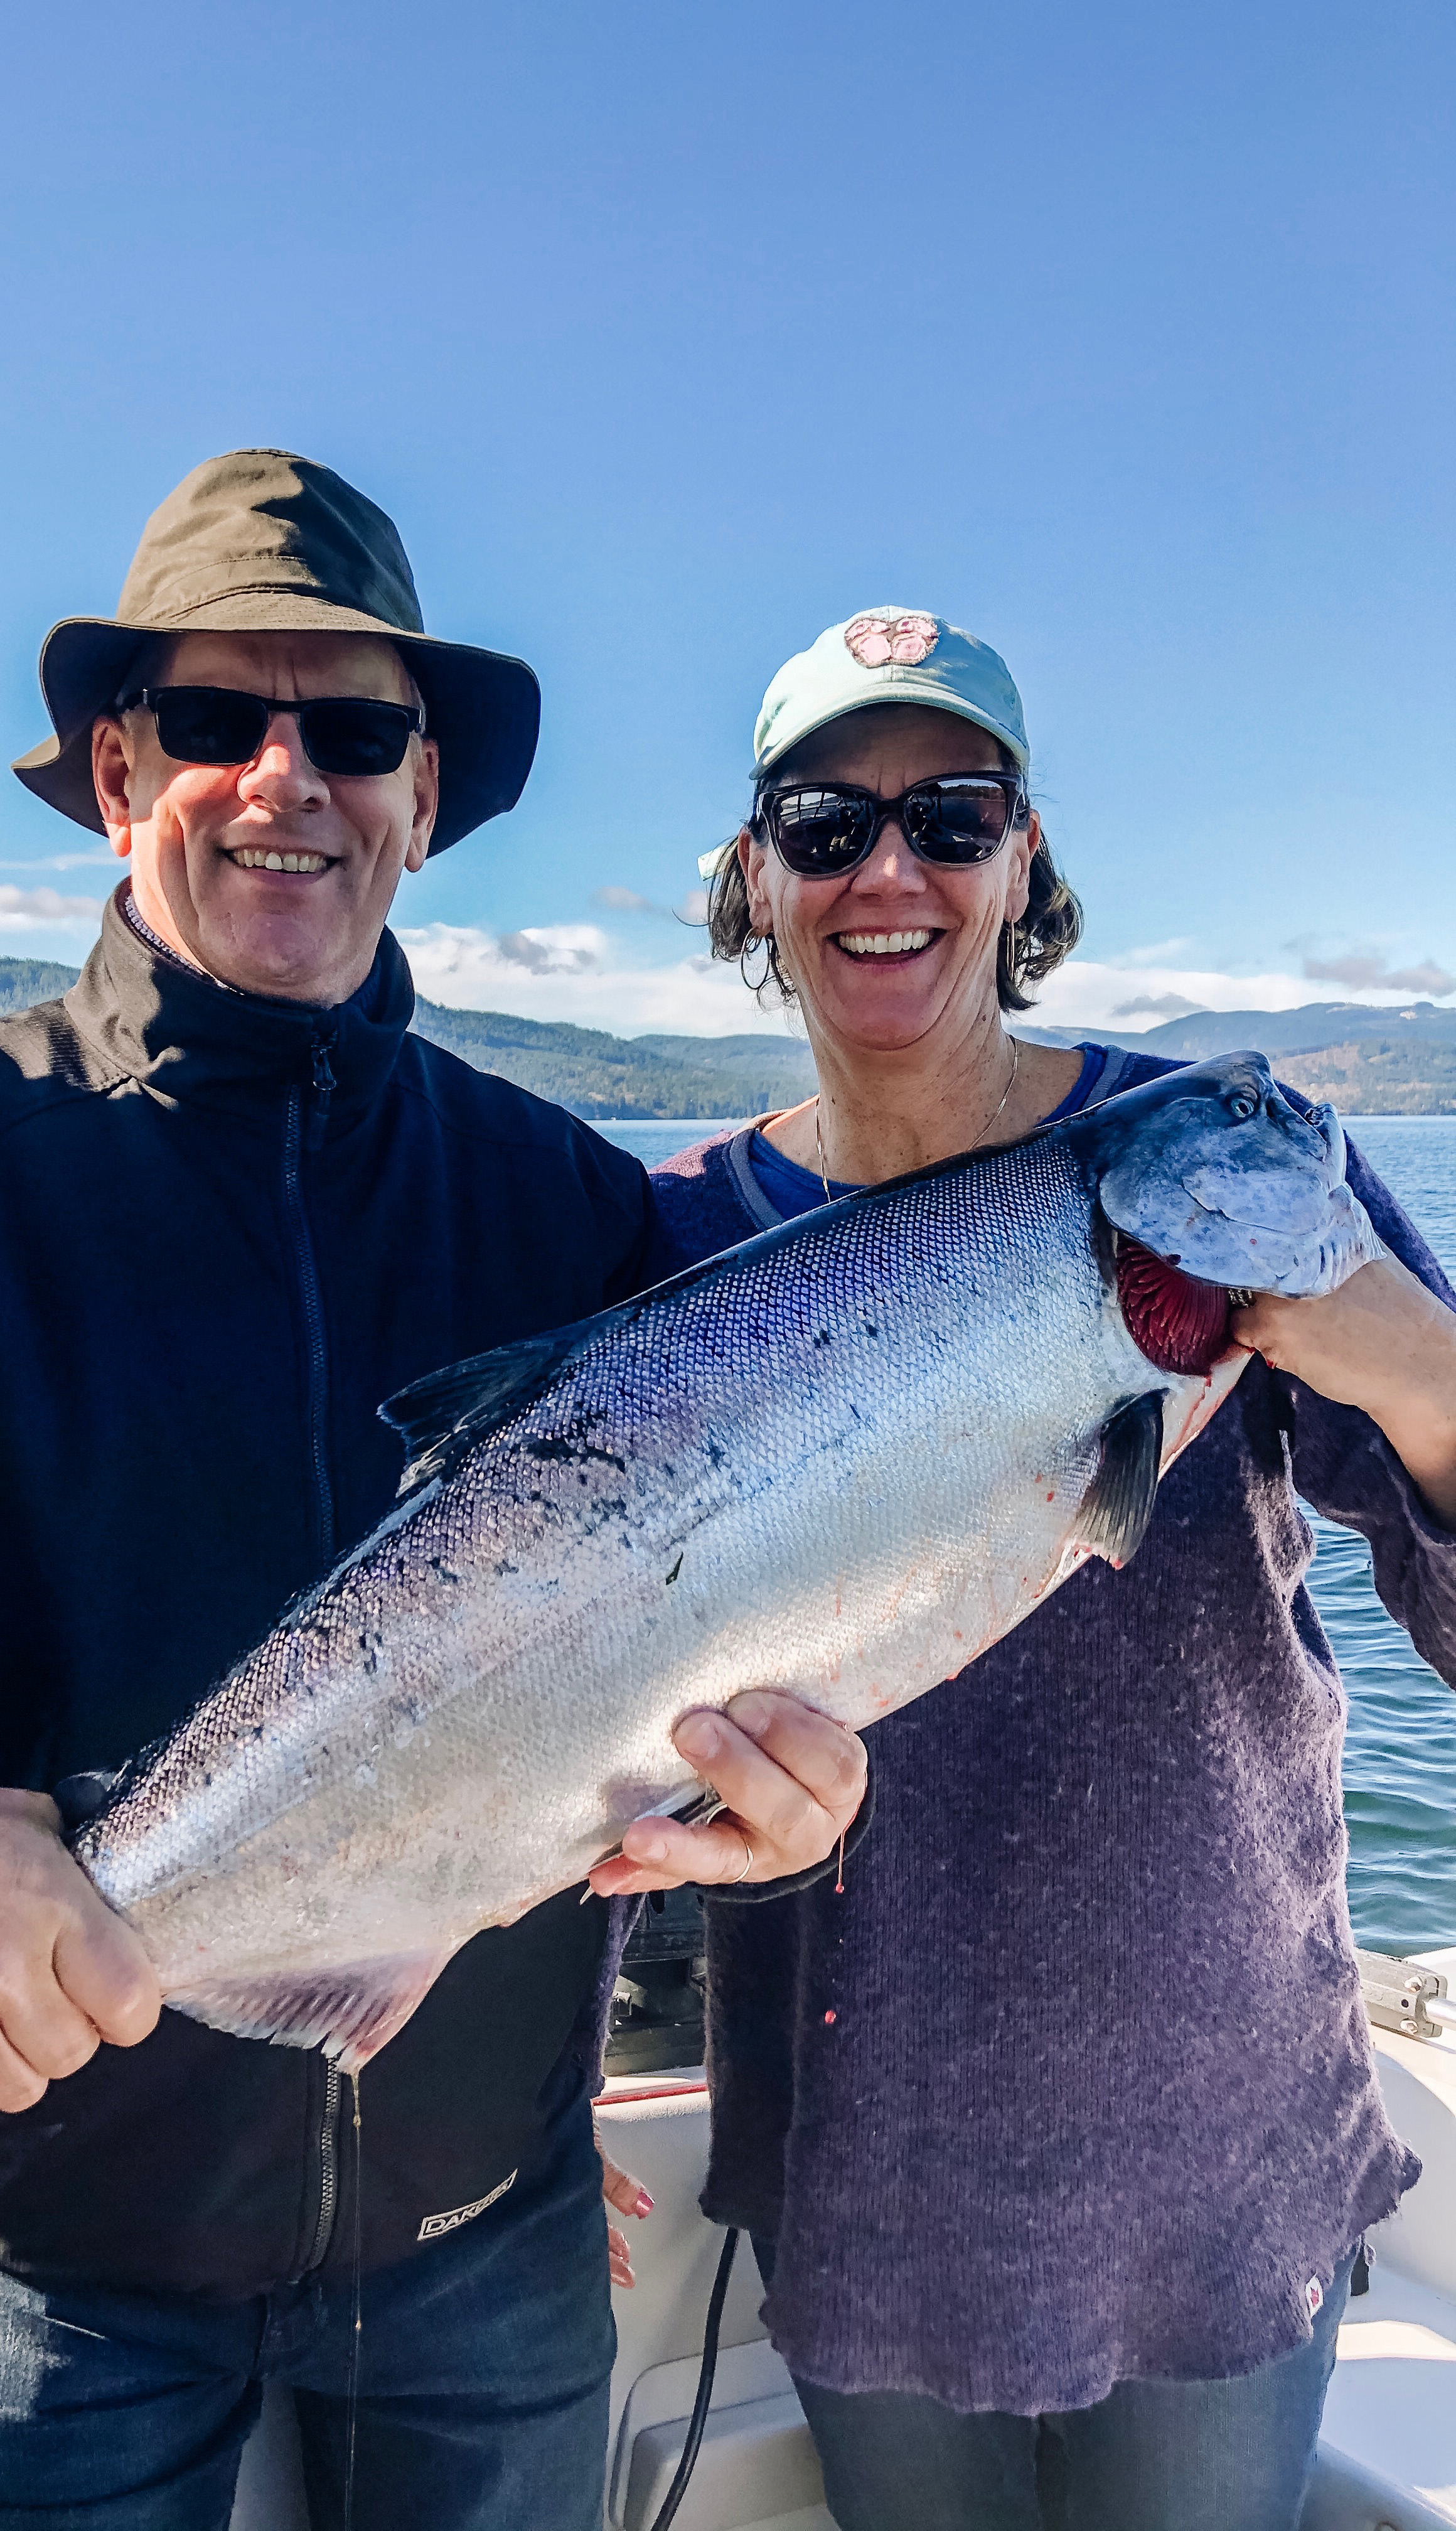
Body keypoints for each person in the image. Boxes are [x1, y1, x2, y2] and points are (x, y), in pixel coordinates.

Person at [0, 453, 869, 2531]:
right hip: (33, 2275)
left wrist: (761, 1812)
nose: (288, 779)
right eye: (213, 722)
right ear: (111, 771)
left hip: (493, 2249)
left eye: (355, 730)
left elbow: (711, 1668)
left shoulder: (579, 1217)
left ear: (424, 797)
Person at [638, 605, 1456, 2531]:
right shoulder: (665, 1243)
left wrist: (1403, 1355)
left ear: (1026, 865)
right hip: (868, 2155)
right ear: (759, 883)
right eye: (826, 824)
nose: (890, 868)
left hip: (1219, 2133)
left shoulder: (1231, 1165)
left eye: (954, 813)